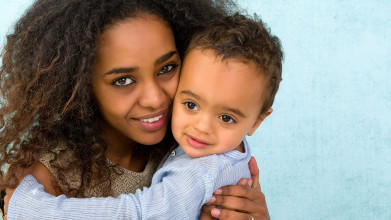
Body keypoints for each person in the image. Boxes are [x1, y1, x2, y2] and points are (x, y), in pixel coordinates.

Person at [0, 0, 270, 219]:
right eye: (123, 80)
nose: (154, 99)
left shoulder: (195, 143)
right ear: (80, 85)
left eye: (167, 68)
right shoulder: (47, 180)